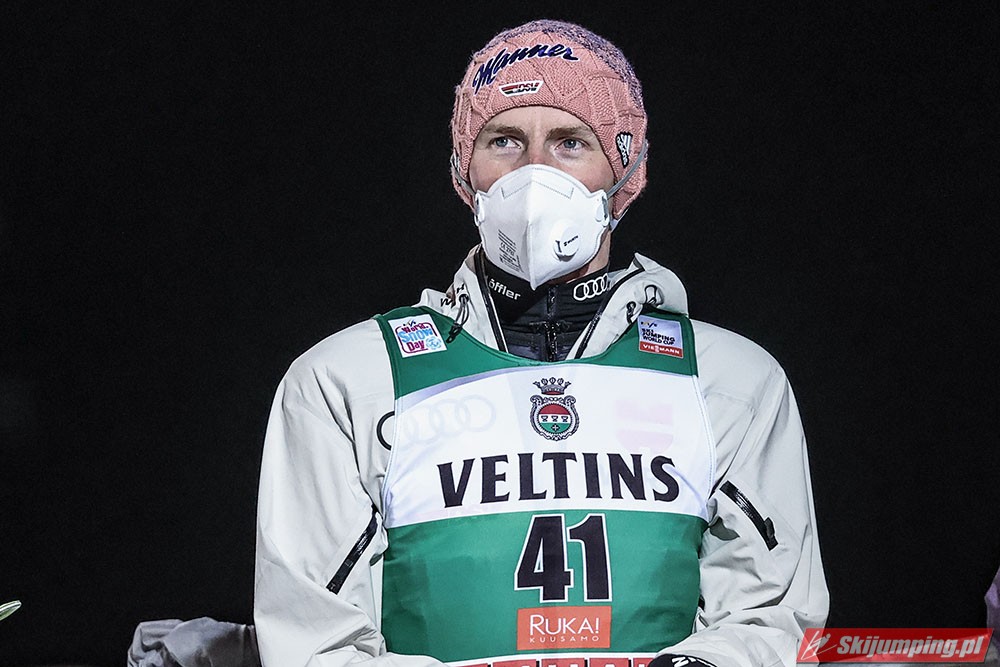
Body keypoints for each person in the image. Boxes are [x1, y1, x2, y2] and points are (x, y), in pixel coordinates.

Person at [253, 18, 829, 667]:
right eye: (504, 141)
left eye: (569, 143)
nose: (533, 174)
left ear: (624, 171)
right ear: (464, 169)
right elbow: (315, 646)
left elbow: (771, 621)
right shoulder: (347, 382)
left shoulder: (731, 384)